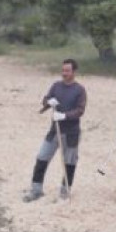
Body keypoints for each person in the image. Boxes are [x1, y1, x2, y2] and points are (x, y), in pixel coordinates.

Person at [23, 59, 87, 202]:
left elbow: (80, 110)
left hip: (71, 133)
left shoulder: (80, 90)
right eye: (63, 70)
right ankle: (36, 189)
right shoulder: (56, 86)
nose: (64, 73)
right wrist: (48, 102)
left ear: (74, 72)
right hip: (54, 131)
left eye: (67, 71)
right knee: (42, 157)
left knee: (69, 162)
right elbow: (46, 99)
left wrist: (65, 115)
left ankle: (65, 192)